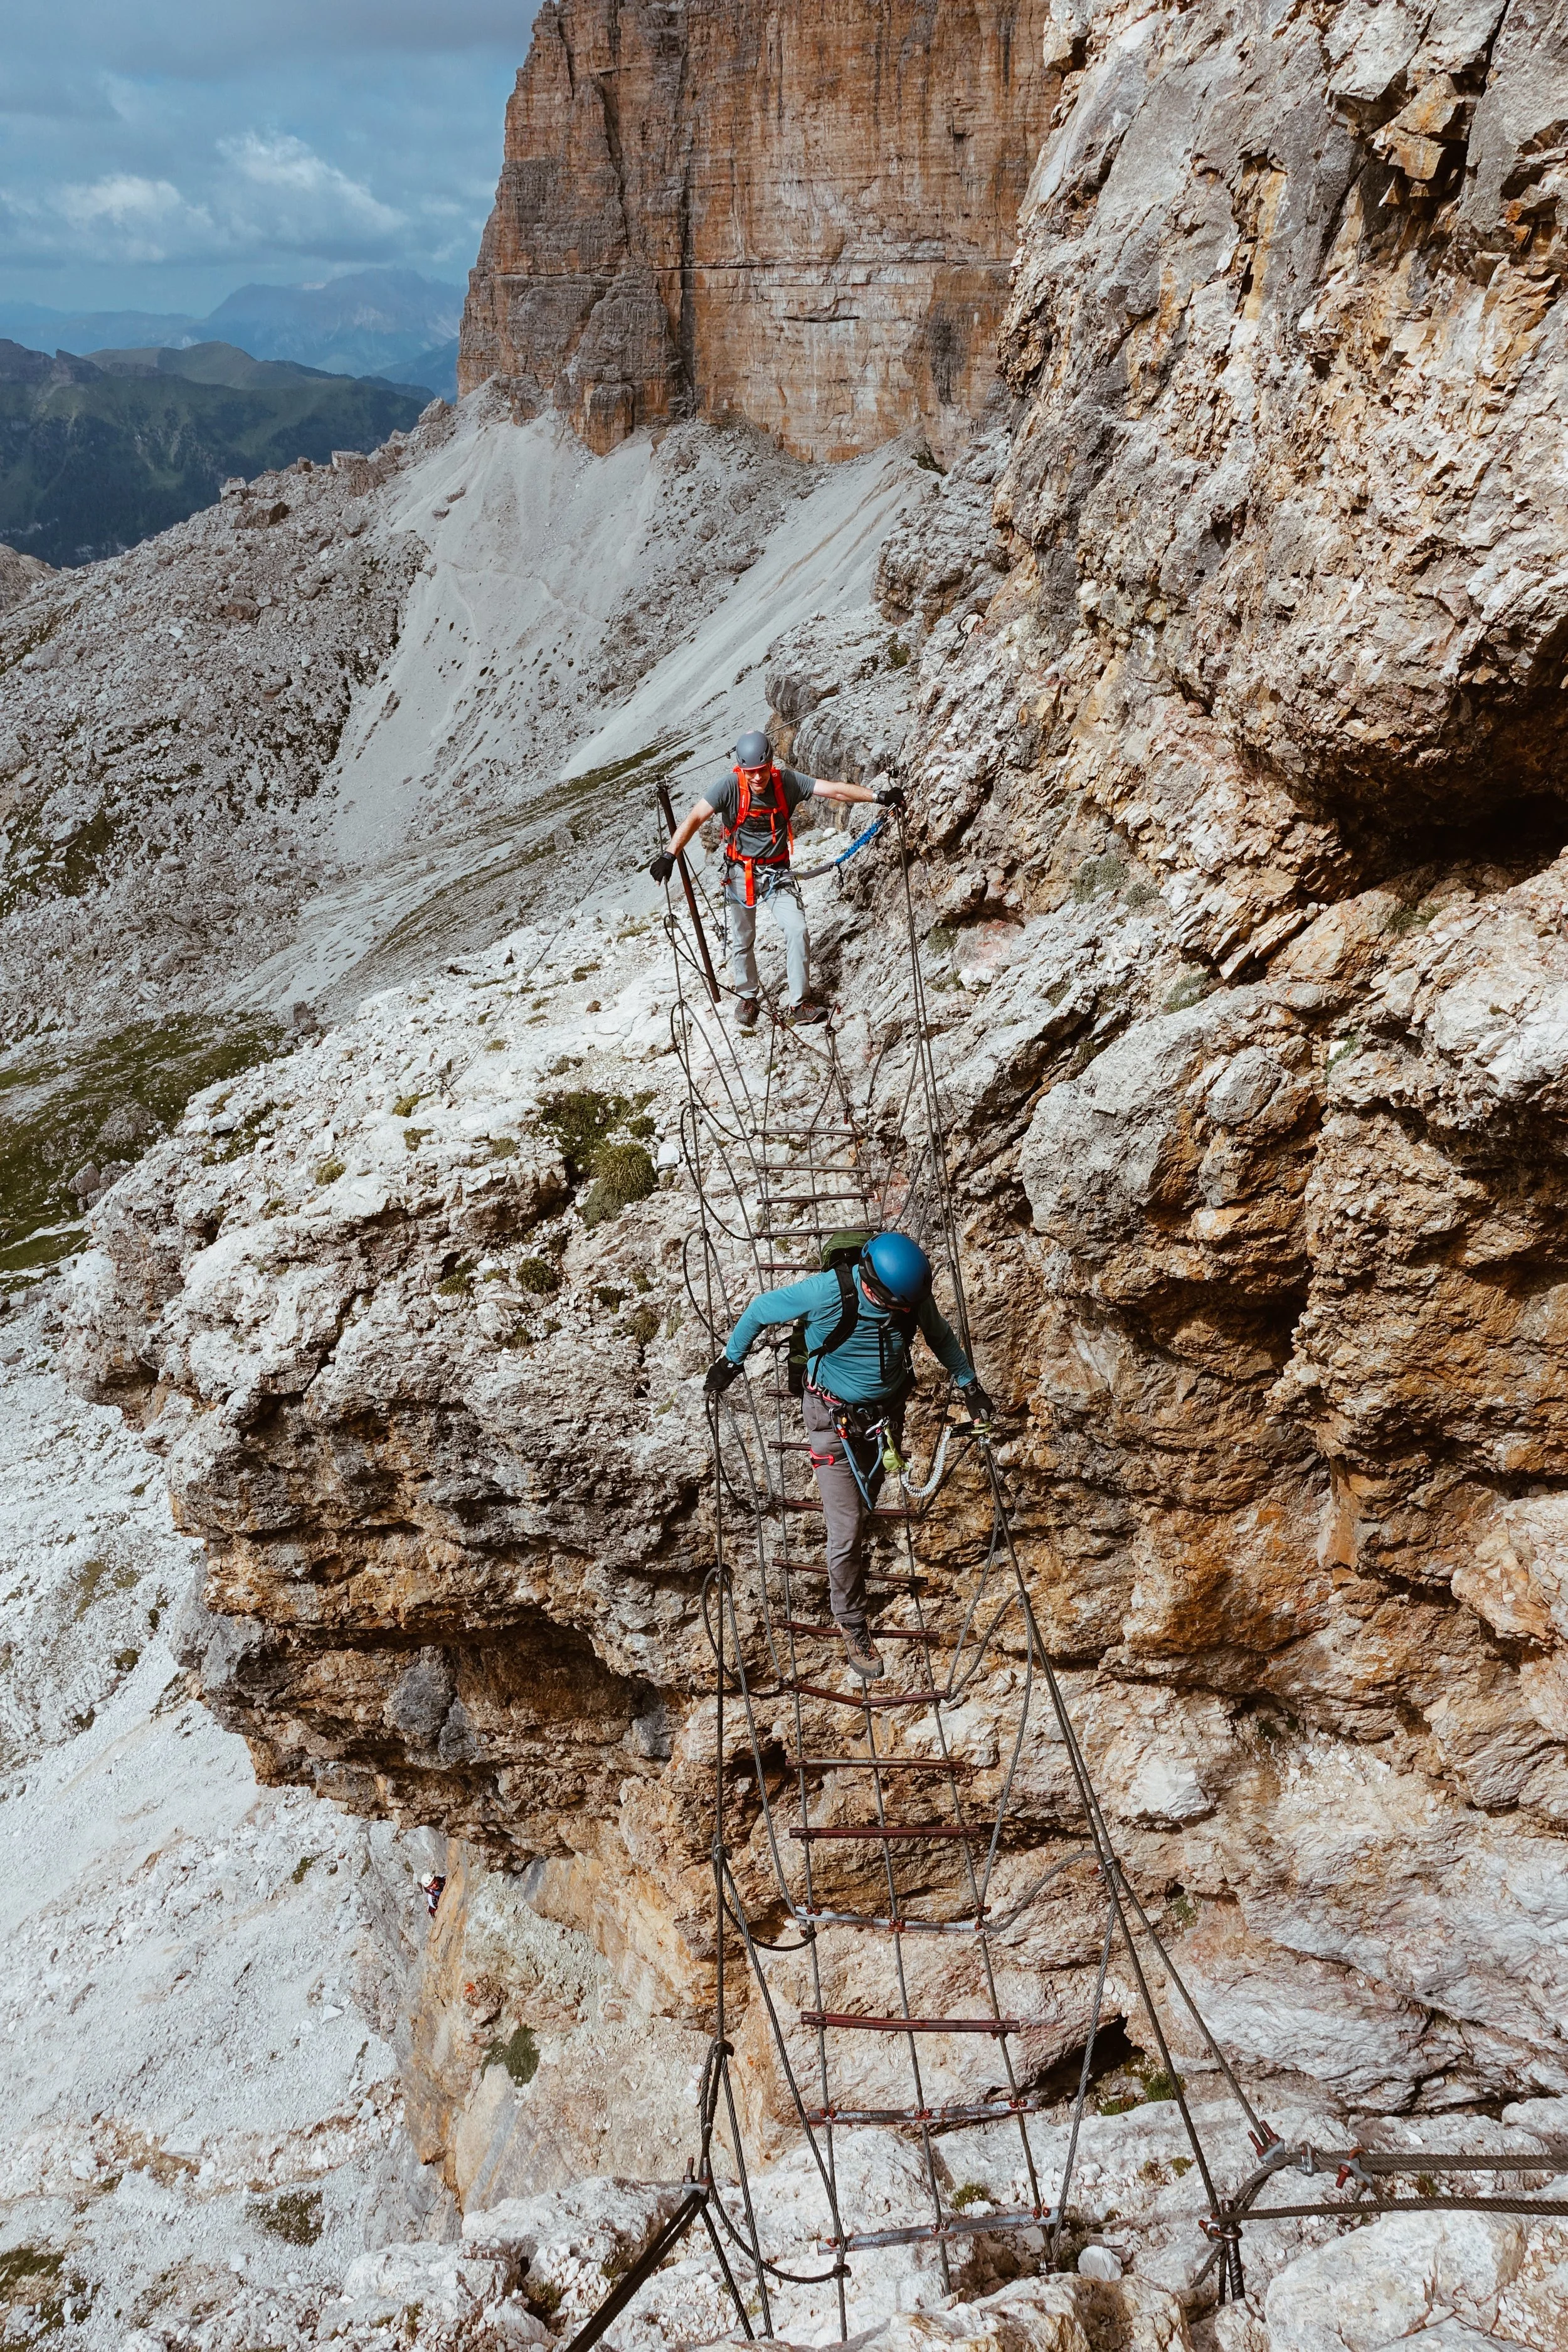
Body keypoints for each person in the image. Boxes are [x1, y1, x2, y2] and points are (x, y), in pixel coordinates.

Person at [704, 1231, 994, 1679]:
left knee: (867, 1503)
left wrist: (969, 1387)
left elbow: (941, 1338)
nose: (905, 1313)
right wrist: (730, 1362)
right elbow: (761, 1310)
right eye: (897, 1306)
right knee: (847, 1531)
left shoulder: (910, 1298)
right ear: (874, 1286)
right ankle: (852, 1623)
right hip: (830, 1421)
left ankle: (856, 1530)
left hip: (885, 1417)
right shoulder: (829, 1291)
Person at [650, 729, 904, 1029]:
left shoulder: (789, 783)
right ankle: (748, 996)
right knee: (743, 938)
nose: (757, 778)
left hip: (777, 874)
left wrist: (880, 797)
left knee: (797, 930)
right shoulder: (729, 787)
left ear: (771, 763)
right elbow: (695, 818)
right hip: (740, 873)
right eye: (751, 773)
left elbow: (835, 790)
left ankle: (800, 1003)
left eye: (762, 771)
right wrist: (670, 855)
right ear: (741, 770)